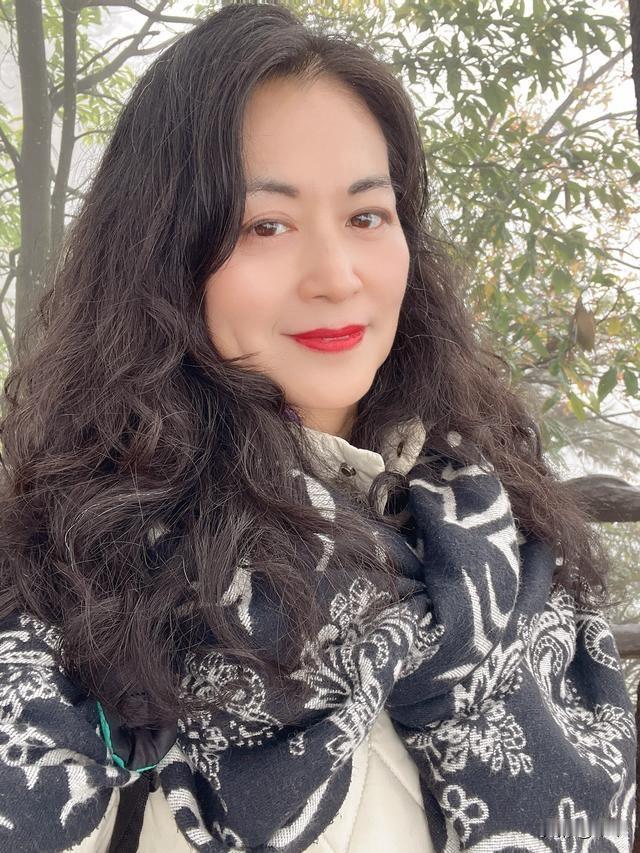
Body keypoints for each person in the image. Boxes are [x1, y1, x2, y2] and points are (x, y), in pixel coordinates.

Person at [0, 3, 636, 852]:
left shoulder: (499, 523)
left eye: (367, 216)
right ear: (162, 255)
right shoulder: (77, 581)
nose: (336, 276)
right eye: (265, 226)